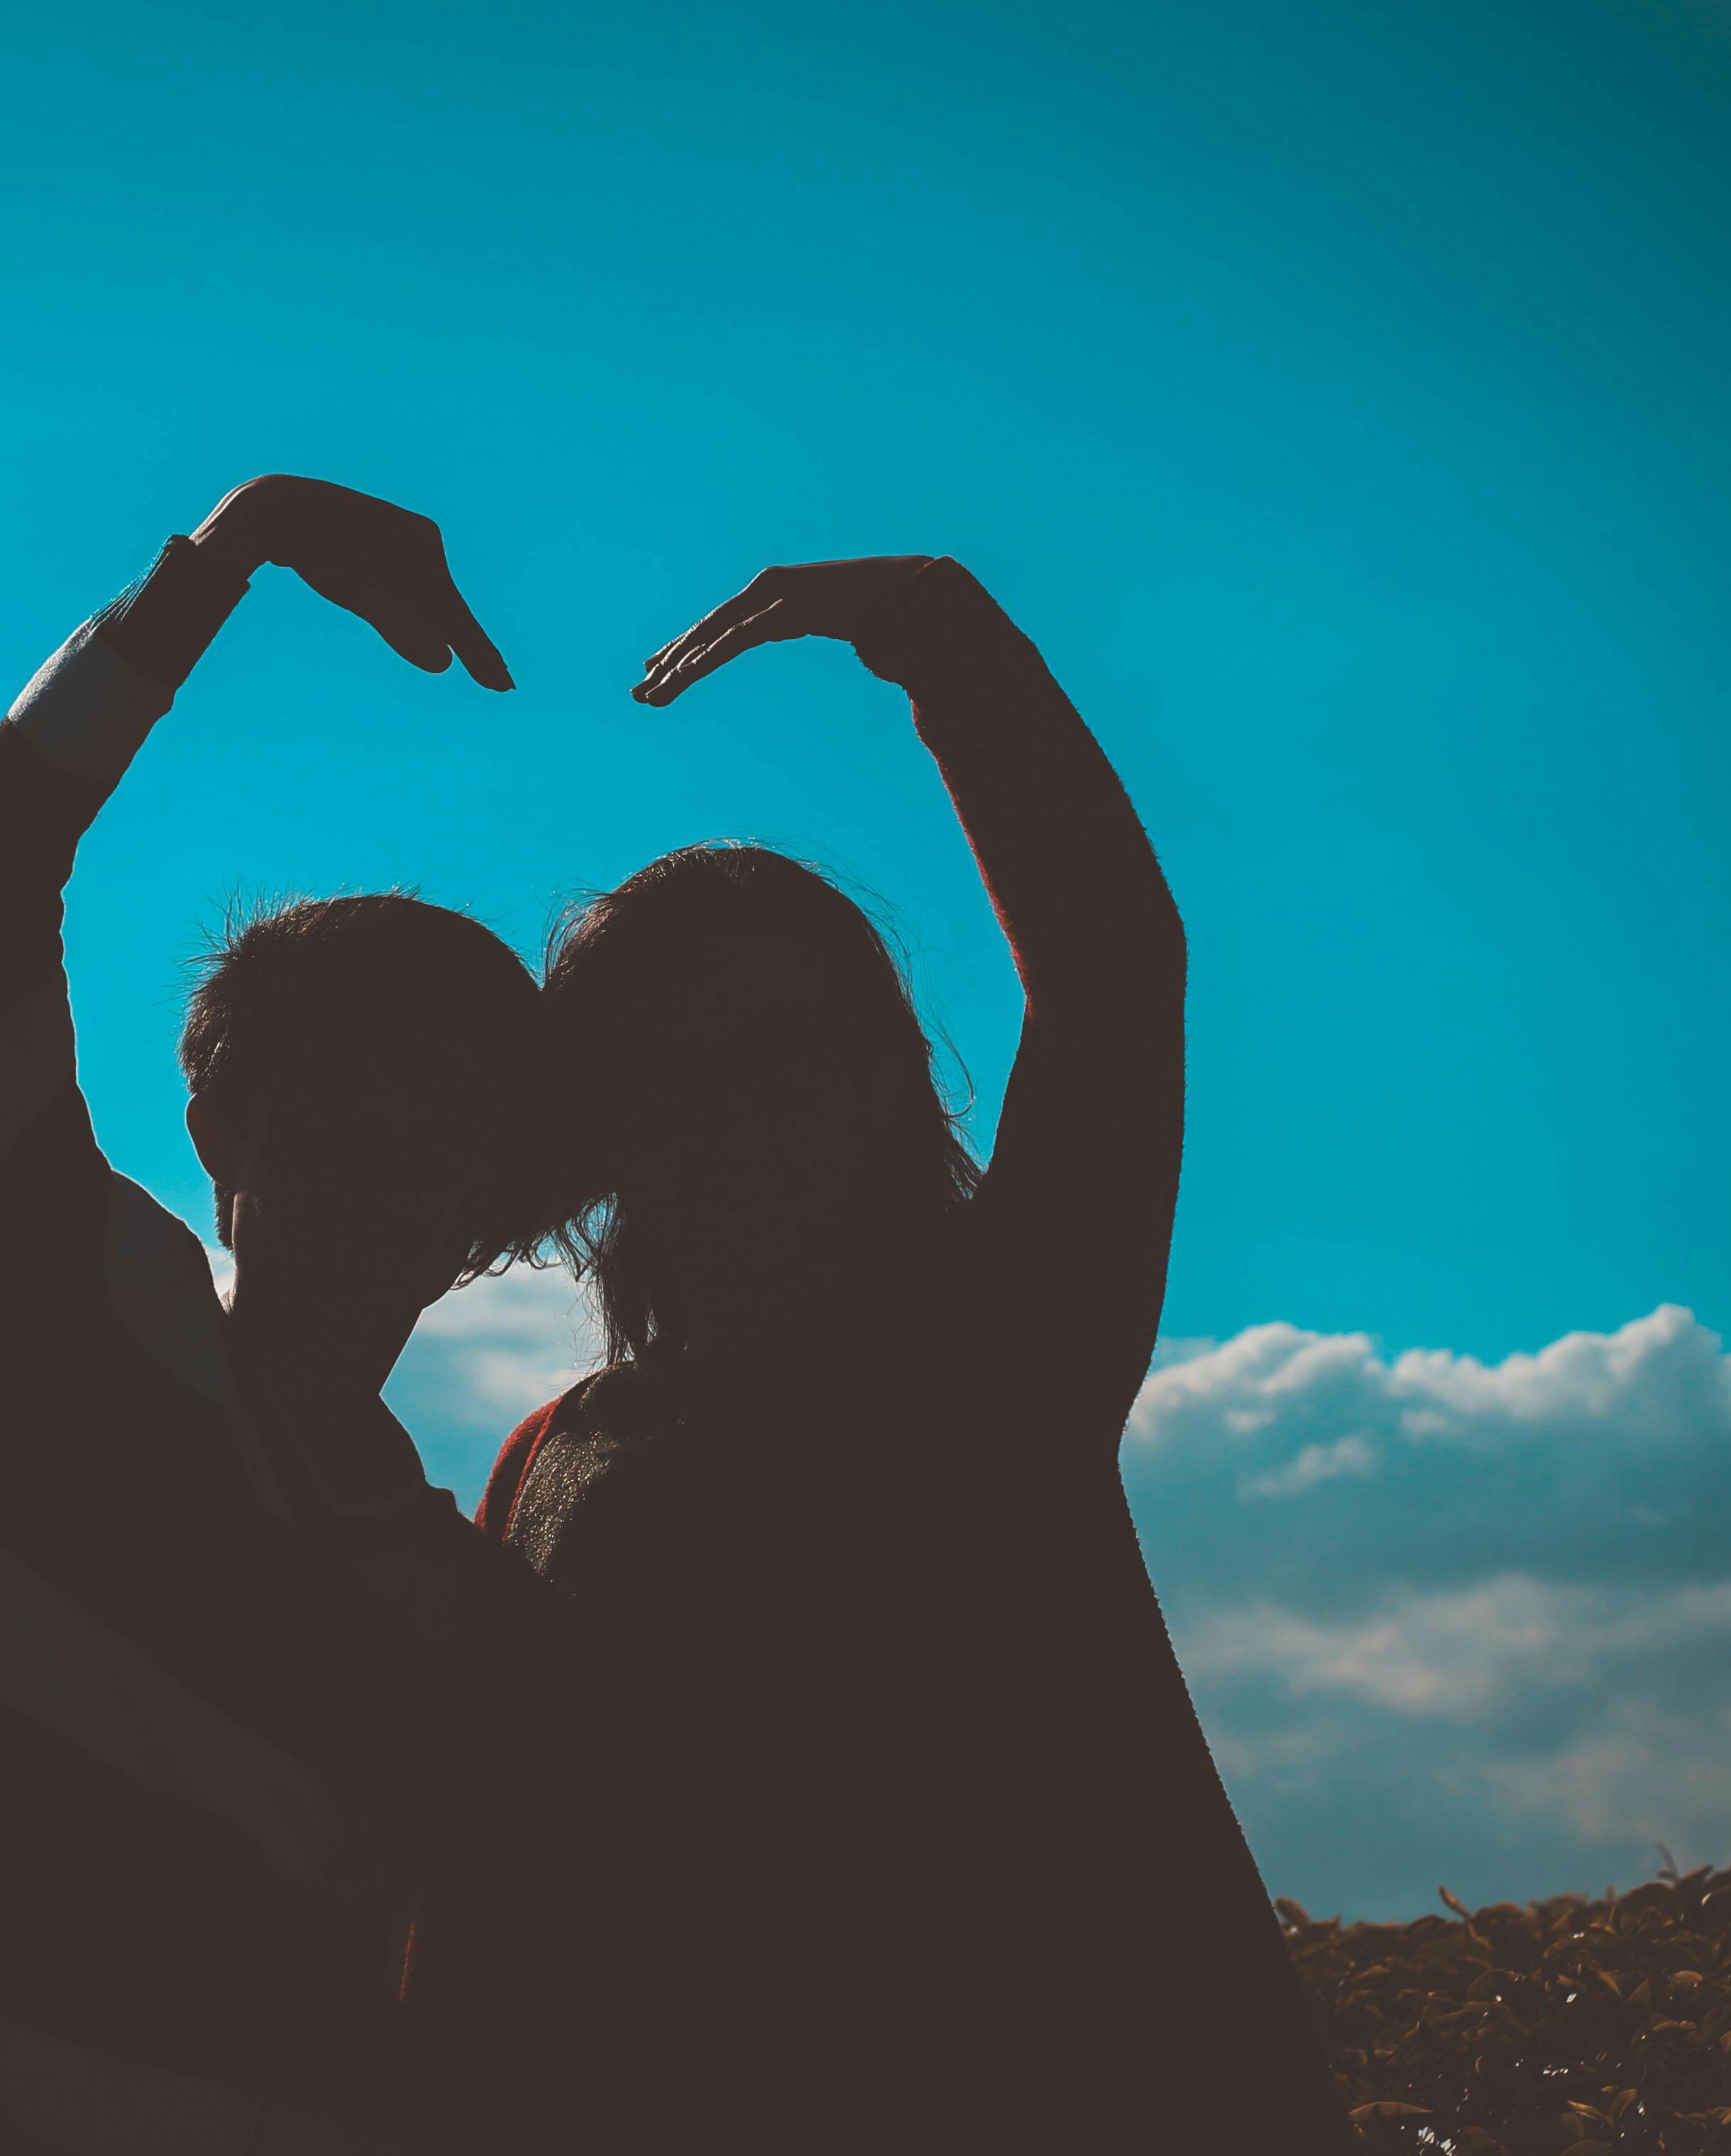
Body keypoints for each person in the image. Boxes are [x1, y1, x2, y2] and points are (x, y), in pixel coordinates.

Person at [468, 555, 1353, 2150]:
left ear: (881, 1079)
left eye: (790, 1048)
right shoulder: (550, 1458)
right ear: (605, 1111)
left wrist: (949, 647)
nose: (741, 1102)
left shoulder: (995, 1350)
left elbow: (1108, 971)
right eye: (677, 1055)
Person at [0, 475, 568, 2155]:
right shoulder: (83, 1320)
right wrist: (232, 547)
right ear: (219, 1133)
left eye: (442, 1149)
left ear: (486, 1217)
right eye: (343, 1122)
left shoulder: (462, 1601)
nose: (389, 1188)